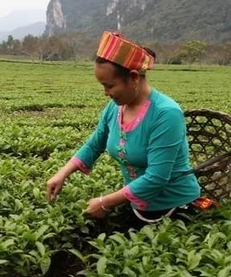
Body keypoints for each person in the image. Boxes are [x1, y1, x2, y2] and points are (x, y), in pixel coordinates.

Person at [46, 31, 201, 228]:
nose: (105, 93)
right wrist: (62, 173)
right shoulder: (115, 107)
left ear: (134, 77)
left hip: (174, 209)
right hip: (135, 202)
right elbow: (95, 144)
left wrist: (104, 202)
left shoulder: (166, 114)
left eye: (110, 86)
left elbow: (156, 177)